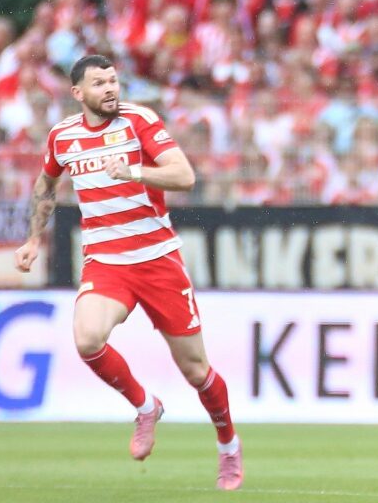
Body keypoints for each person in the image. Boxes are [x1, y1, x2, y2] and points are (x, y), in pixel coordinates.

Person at [13, 55, 243, 490]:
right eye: (100, 83)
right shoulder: (63, 136)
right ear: (78, 93)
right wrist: (31, 240)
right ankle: (144, 405)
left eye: (114, 80)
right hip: (106, 260)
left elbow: (185, 175)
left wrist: (134, 171)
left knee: (195, 370)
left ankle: (228, 444)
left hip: (157, 259)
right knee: (86, 339)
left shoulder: (139, 121)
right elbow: (46, 185)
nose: (110, 89)